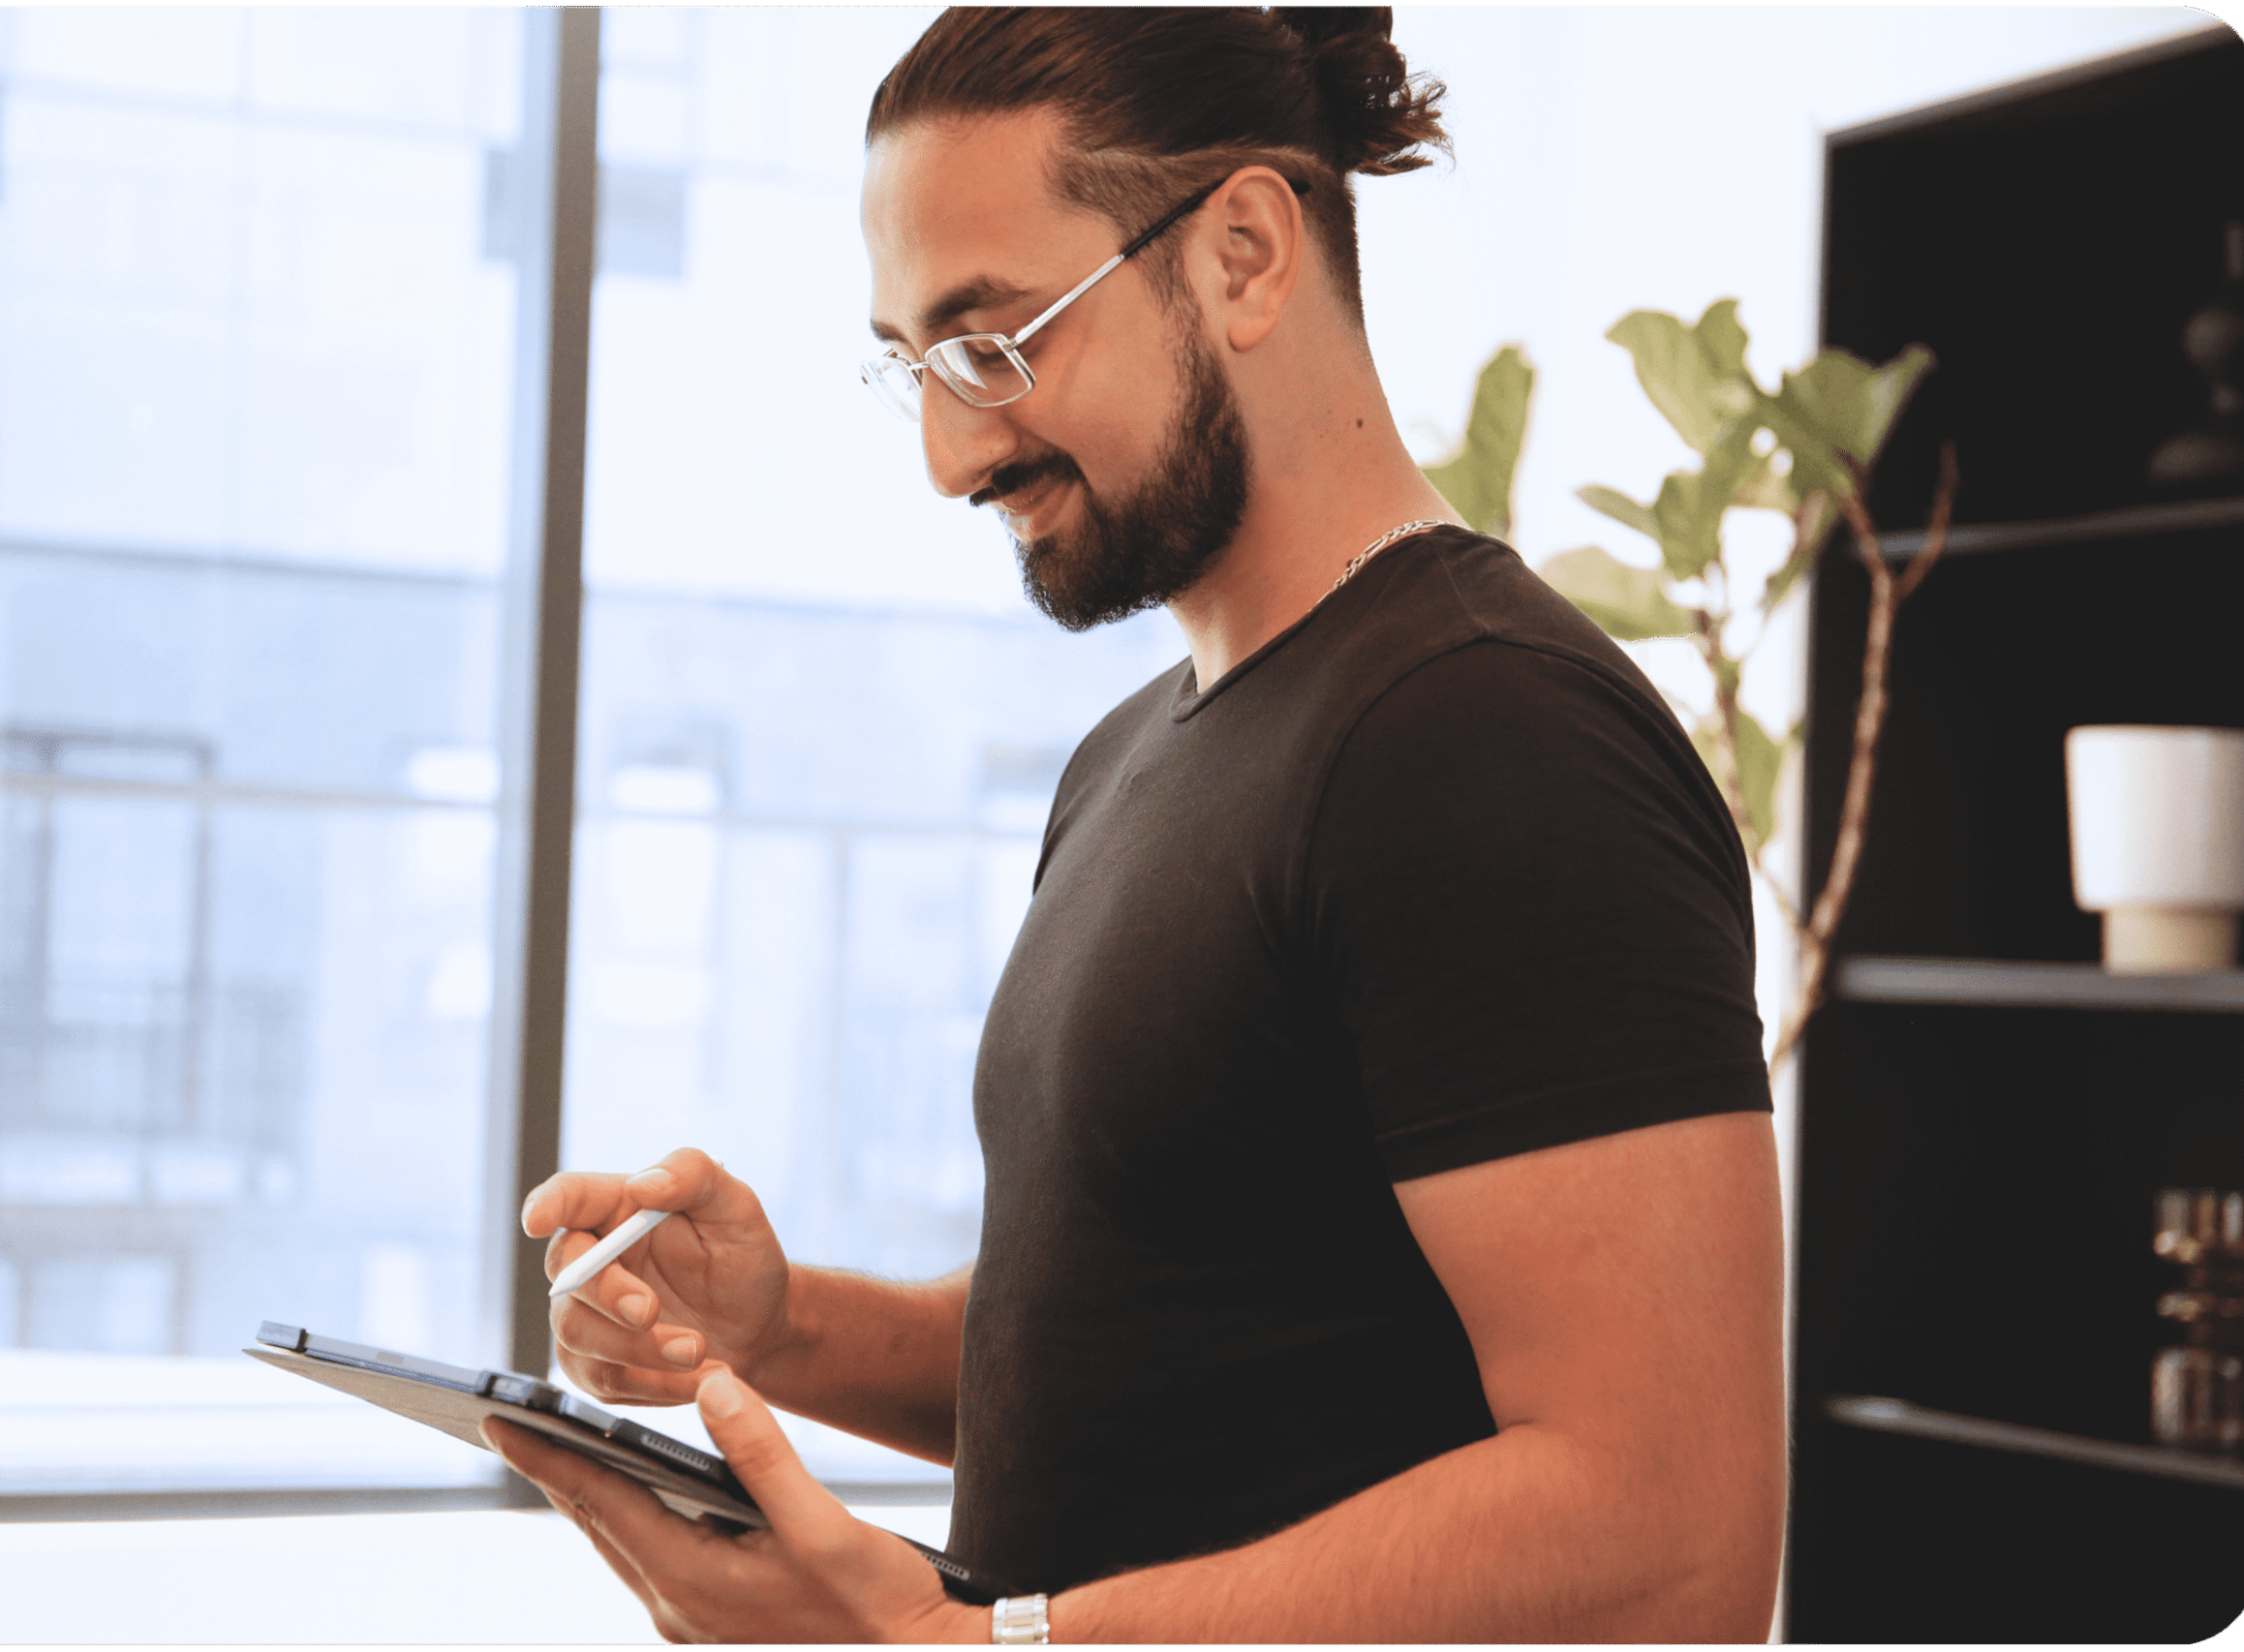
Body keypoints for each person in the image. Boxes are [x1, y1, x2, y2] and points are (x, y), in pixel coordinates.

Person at [479, 8, 1787, 1641]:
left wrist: (984, 1644)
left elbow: (1671, 1534)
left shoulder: (1492, 737)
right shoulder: (1130, 758)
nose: (953, 453)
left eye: (995, 343)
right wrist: (779, 1323)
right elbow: (1158, 1354)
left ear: (1243, 251)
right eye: (915, 369)